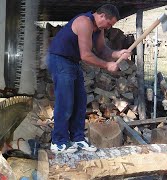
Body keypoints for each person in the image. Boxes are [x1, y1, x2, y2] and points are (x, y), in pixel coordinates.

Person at [47, 4, 131, 153]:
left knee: (80, 101)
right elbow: (85, 55)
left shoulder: (99, 29)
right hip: (59, 59)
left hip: (72, 62)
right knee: (65, 102)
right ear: (102, 16)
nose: (110, 27)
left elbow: (102, 50)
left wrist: (118, 54)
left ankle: (77, 138)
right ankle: (58, 141)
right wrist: (107, 65)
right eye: (109, 23)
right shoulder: (84, 22)